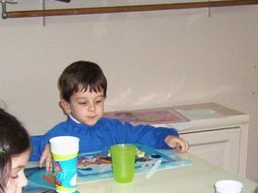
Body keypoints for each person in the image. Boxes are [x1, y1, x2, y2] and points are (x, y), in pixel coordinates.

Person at [32, 60, 190, 168]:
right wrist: (49, 147)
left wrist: (166, 137)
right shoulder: (59, 136)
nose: (92, 108)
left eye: (98, 101)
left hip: (110, 192)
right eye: (83, 103)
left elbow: (141, 134)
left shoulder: (113, 128)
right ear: (66, 106)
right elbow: (23, 146)